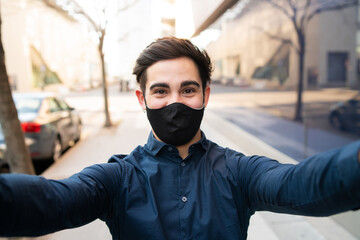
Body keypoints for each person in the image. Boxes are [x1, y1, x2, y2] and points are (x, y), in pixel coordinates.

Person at [0, 36, 360, 240]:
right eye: (161, 91)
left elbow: (297, 185)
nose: (174, 102)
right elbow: (54, 199)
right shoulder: (117, 179)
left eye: (187, 89)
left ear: (205, 94)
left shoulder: (238, 171)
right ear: (142, 99)